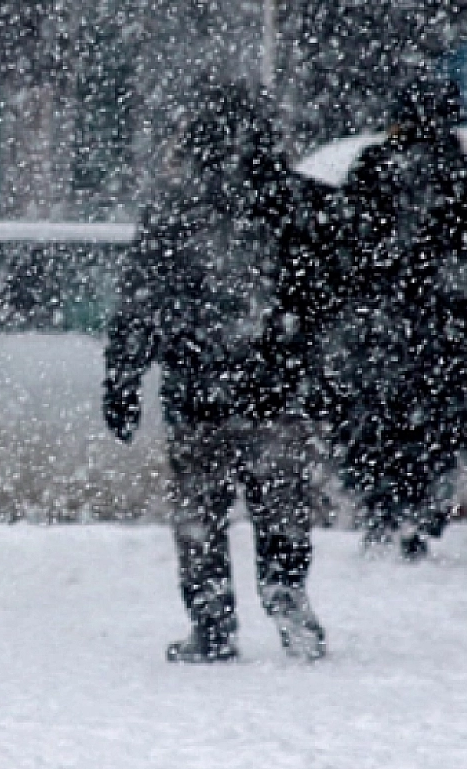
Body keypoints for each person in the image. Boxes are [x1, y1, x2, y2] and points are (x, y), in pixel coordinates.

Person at [103, 83, 327, 663]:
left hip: (198, 389)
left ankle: (211, 623)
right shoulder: (294, 203)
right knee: (281, 511)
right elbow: (324, 301)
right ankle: (287, 599)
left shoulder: (174, 207)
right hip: (275, 390)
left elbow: (140, 301)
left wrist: (124, 378)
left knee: (201, 515)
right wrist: (317, 370)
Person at [336, 75, 467, 560]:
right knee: (436, 427)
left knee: (378, 423)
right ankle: (422, 511)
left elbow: (346, 243)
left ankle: (382, 509)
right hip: (448, 325)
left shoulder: (372, 167)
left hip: (382, 324)